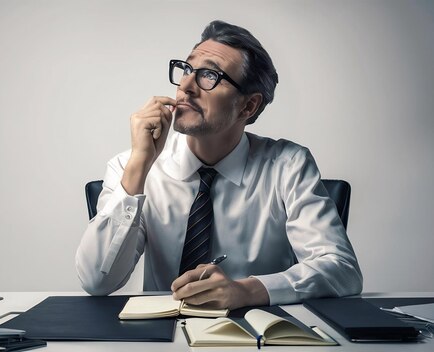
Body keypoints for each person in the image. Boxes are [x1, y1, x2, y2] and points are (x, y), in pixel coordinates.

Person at [75, 20, 362, 310]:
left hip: (257, 333)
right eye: (187, 69)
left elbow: (342, 269)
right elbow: (96, 281)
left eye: (209, 75)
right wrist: (139, 165)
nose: (185, 87)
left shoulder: (288, 165)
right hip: (164, 337)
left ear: (248, 106)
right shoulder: (131, 165)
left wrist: (246, 291)